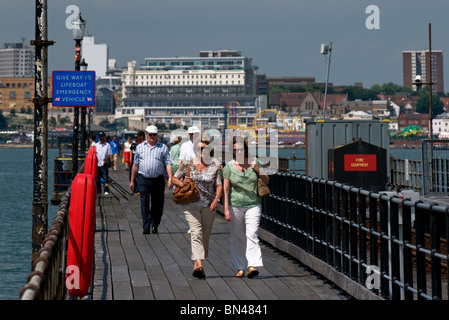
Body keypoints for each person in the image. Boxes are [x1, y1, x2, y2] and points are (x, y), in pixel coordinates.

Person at [171, 137, 223, 279]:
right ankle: (199, 264)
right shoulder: (188, 164)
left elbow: (219, 185)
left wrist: (217, 200)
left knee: (205, 235)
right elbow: (173, 179)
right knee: (196, 233)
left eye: (205, 148)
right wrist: (182, 184)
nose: (202, 151)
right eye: (200, 148)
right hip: (191, 204)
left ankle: (198, 261)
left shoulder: (214, 166)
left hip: (209, 205)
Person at [222, 136, 269, 278]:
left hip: (253, 203)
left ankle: (252, 265)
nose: (239, 152)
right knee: (238, 237)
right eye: (236, 150)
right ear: (233, 151)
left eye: (241, 149)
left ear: (246, 149)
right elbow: (225, 189)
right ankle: (239, 266)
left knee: (252, 234)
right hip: (235, 204)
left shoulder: (254, 162)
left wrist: (257, 169)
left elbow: (267, 180)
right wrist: (225, 209)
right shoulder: (229, 166)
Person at [130, 125, 173, 234]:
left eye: (154, 135)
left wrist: (170, 178)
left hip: (158, 179)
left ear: (157, 135)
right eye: (150, 135)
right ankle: (146, 225)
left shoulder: (163, 147)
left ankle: (155, 224)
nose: (152, 137)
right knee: (144, 202)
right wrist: (132, 180)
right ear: (146, 135)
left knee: (158, 204)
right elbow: (135, 165)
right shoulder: (139, 147)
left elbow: (168, 163)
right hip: (143, 178)